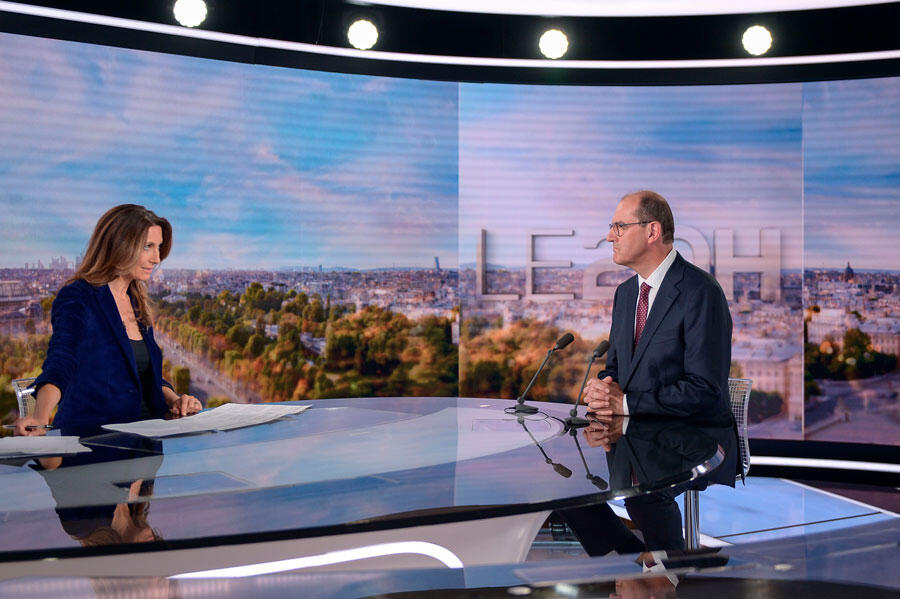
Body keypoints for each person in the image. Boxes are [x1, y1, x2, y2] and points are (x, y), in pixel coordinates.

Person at [561, 190, 736, 554]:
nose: (610, 236)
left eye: (619, 227)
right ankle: (636, 569)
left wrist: (626, 402)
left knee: (644, 496)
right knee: (566, 487)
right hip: (636, 434)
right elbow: (616, 370)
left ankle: (665, 579)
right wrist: (603, 389)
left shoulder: (700, 292)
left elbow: (706, 390)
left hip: (692, 438)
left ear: (652, 231)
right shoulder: (626, 295)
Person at [15, 204, 201, 435]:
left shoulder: (137, 301)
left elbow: (140, 373)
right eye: (147, 247)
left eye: (159, 247)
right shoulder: (79, 296)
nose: (157, 258)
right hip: (94, 445)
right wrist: (40, 419)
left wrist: (175, 399)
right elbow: (62, 361)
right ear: (120, 246)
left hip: (146, 447)